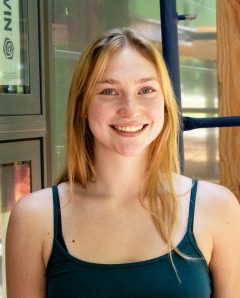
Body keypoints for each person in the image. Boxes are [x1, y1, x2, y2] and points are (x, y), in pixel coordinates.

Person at [6, 28, 240, 298]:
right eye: (108, 91)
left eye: (146, 89)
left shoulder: (217, 208)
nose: (130, 108)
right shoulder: (34, 217)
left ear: (165, 103)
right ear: (82, 104)